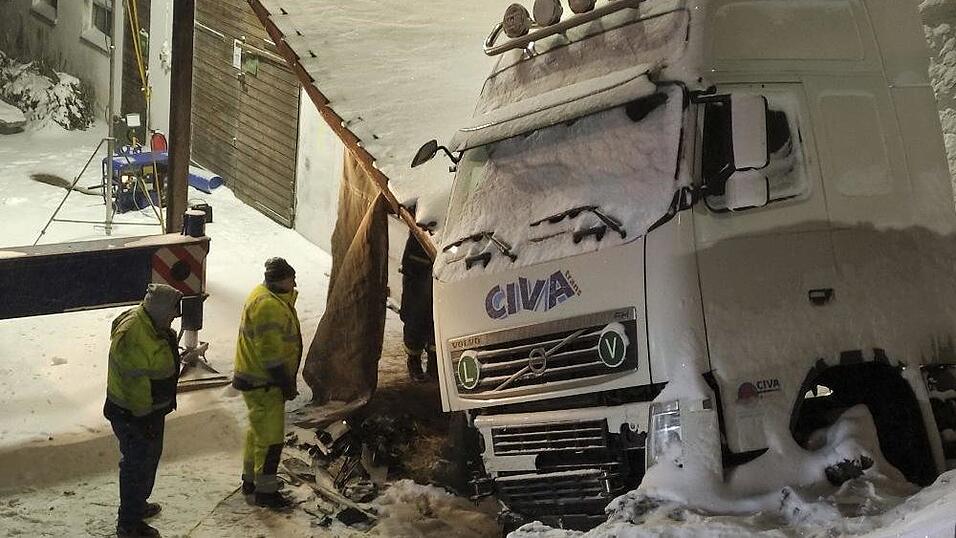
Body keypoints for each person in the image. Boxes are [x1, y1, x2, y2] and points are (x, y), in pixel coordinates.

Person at [104, 283, 183, 538]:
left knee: (148, 460)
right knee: (137, 465)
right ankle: (129, 524)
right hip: (134, 415)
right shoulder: (134, 335)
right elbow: (134, 383)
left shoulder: (152, 325)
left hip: (148, 412)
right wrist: (144, 418)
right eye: (173, 311)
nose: (175, 316)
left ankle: (137, 505)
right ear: (160, 310)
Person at [233, 257, 303, 509]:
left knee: (257, 432)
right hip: (264, 381)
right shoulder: (268, 306)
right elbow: (271, 353)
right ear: (280, 280)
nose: (294, 283)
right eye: (291, 279)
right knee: (271, 439)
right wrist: (284, 382)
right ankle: (266, 492)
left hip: (255, 377)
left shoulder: (264, 295)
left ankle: (250, 480)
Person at [400, 233, 437, 382]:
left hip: (444, 251)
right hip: (419, 259)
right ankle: (413, 359)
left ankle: (435, 363)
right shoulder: (422, 219)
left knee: (440, 318)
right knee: (416, 315)